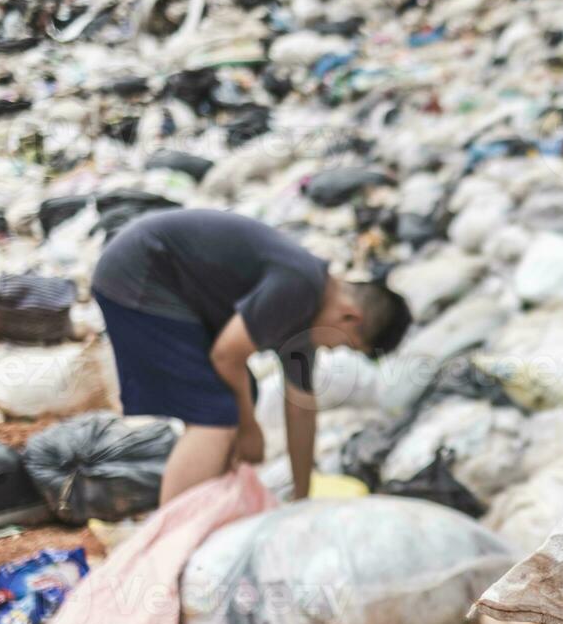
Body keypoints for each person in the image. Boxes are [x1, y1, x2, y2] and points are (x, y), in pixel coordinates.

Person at [91, 208, 410, 503]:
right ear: (350, 318)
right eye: (343, 345)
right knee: (216, 416)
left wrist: (302, 497)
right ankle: (170, 543)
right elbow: (227, 354)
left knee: (240, 396)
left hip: (161, 281)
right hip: (141, 272)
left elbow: (301, 410)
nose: (330, 350)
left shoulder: (304, 326)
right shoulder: (300, 287)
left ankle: (208, 508)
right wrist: (248, 428)